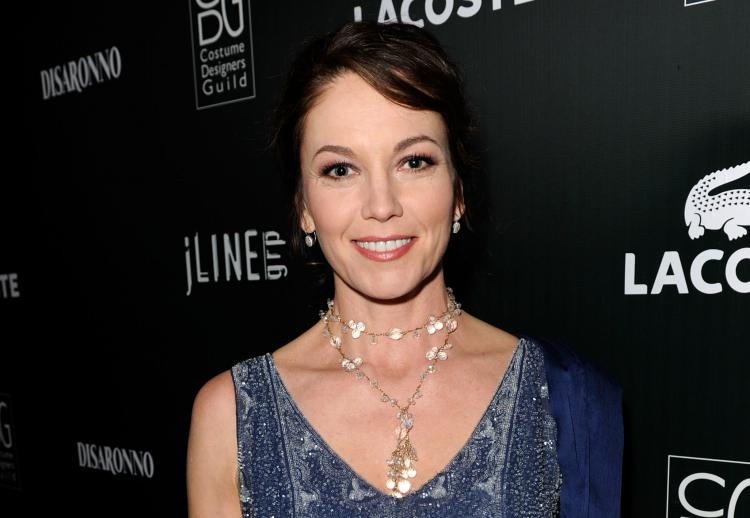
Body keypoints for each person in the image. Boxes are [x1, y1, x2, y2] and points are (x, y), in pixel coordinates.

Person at [186, 21, 623, 517]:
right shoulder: (232, 415)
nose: (381, 205)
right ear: (304, 206)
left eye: (413, 162)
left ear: (458, 192)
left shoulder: (569, 396)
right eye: (340, 169)